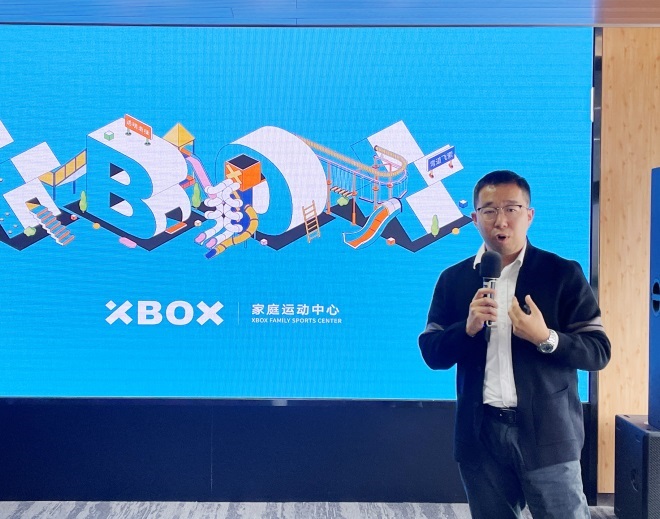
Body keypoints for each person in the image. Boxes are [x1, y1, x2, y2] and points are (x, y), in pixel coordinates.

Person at [418, 170, 611, 519]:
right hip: (481, 437)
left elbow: (598, 350)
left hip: (548, 434)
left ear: (529, 215)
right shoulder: (454, 279)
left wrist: (545, 337)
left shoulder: (562, 273)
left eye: (511, 208)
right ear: (475, 218)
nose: (500, 220)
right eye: (489, 211)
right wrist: (467, 329)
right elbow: (432, 352)